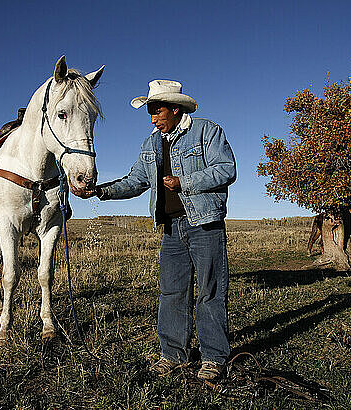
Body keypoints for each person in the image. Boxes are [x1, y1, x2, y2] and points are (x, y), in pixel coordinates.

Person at [74, 80, 236, 380]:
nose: (153, 118)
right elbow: (136, 180)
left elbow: (226, 169)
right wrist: (100, 191)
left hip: (204, 223)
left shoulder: (206, 131)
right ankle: (173, 355)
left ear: (175, 108)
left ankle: (213, 359)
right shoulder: (150, 144)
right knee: (172, 291)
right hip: (171, 228)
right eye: (150, 112)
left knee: (210, 291)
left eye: (157, 111)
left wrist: (183, 182)